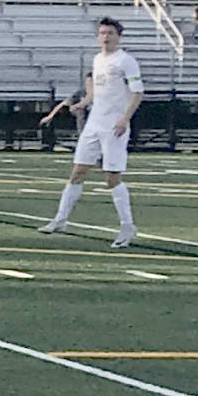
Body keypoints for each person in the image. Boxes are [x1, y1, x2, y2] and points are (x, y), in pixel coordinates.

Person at [39, 16, 142, 248]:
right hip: (94, 124)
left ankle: (127, 226)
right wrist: (83, 103)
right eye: (103, 33)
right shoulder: (97, 60)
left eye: (110, 34)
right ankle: (60, 219)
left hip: (114, 126)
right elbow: (96, 91)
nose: (106, 37)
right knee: (77, 172)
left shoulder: (126, 61)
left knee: (112, 177)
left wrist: (125, 118)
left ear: (118, 36)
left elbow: (137, 92)